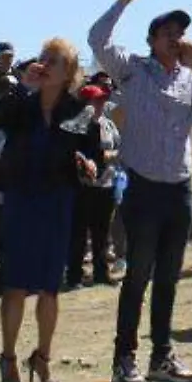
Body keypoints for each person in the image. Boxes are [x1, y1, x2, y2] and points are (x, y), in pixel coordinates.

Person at [88, 0, 192, 382]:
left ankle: (161, 356)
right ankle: (124, 358)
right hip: (144, 186)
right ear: (151, 39)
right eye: (168, 34)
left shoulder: (187, 77)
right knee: (138, 275)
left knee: (169, 276)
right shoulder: (134, 70)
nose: (176, 39)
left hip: (178, 188)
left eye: (180, 34)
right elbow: (97, 38)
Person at [0, 39, 92, 382]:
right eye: (43, 58)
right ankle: (8, 361)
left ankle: (43, 358)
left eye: (56, 61)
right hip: (21, 200)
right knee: (15, 284)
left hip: (57, 203)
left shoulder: (79, 109)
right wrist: (21, 86)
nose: (45, 64)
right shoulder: (20, 103)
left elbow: (91, 151)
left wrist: (90, 163)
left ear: (69, 74)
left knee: (50, 287)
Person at [67, 84, 119, 288]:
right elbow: (73, 154)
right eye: (95, 100)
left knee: (102, 233)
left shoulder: (108, 124)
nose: (100, 103)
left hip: (106, 184)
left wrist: (112, 156)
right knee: (78, 233)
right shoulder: (76, 125)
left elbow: (118, 146)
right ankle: (74, 275)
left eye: (102, 99)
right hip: (83, 187)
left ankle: (101, 273)